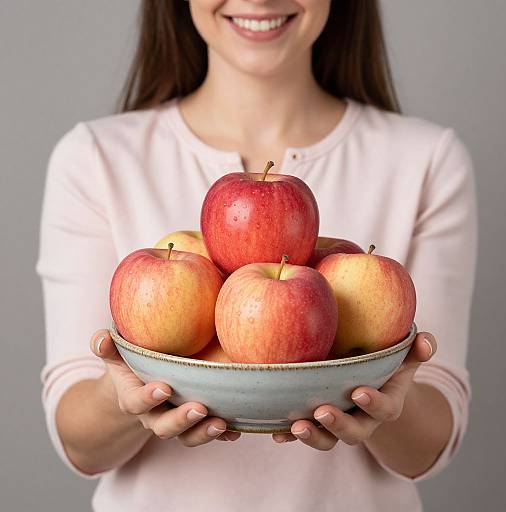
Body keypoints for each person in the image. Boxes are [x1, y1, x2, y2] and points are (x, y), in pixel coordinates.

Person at [36, 1, 477, 511]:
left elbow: (433, 440)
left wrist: (386, 402)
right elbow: (77, 442)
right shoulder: (95, 158)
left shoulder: (428, 160)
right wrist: (124, 401)